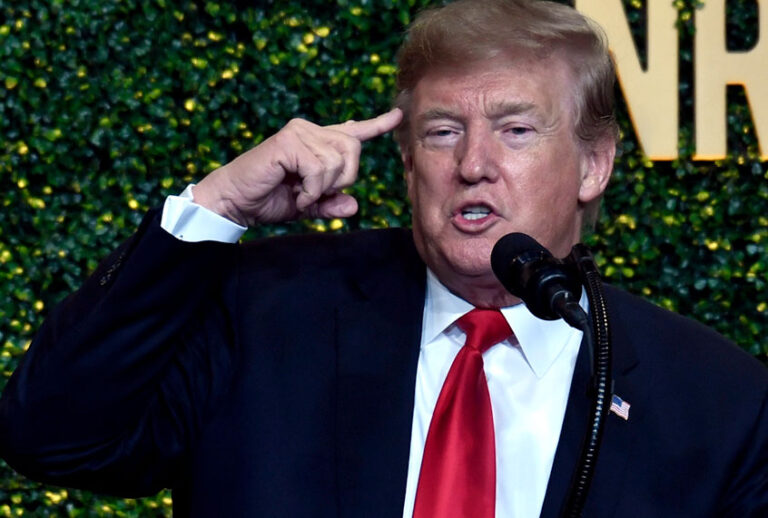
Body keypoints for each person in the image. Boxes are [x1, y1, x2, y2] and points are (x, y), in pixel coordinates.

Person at [1, 0, 766, 516]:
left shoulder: (718, 400)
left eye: (516, 130)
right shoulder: (263, 314)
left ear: (594, 166)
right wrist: (217, 209)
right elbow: (52, 435)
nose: (473, 164)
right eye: (440, 132)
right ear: (406, 165)